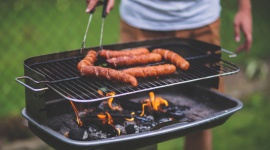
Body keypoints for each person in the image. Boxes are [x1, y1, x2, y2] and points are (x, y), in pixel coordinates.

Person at [86, 0, 252, 150]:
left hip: (201, 21)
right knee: (131, 124)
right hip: (140, 19)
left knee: (203, 119)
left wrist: (245, 8)